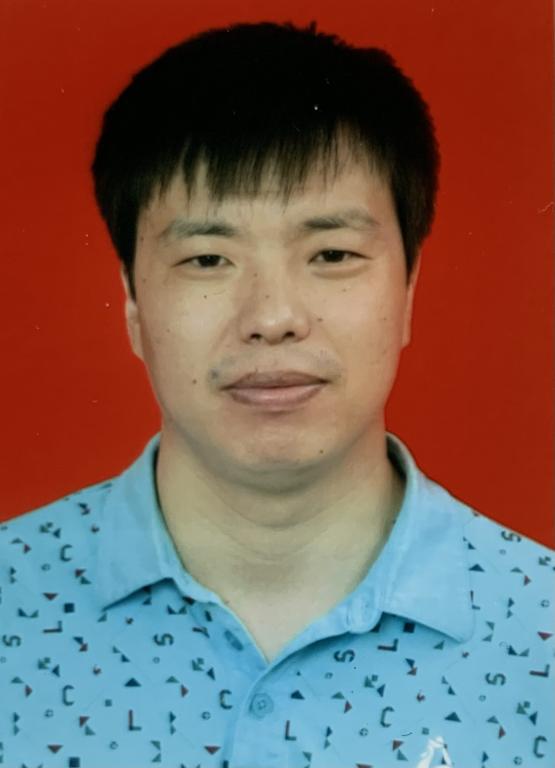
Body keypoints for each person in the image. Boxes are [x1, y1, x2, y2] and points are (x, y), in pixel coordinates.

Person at [0, 20, 552, 768]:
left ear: (408, 290)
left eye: (332, 253)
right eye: (207, 259)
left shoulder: (540, 631)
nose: (272, 317)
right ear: (131, 301)